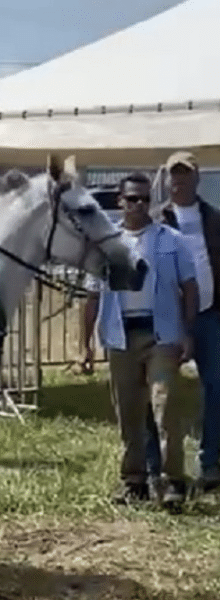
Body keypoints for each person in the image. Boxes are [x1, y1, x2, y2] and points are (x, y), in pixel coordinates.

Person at [84, 172, 198, 507]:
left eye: (145, 199)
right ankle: (133, 481)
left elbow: (189, 287)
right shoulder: (107, 245)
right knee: (128, 412)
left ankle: (172, 481)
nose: (139, 205)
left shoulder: (171, 239)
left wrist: (188, 332)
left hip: (162, 335)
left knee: (165, 409)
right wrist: (84, 345)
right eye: (132, 198)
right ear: (119, 201)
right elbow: (92, 297)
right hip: (120, 337)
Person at [152, 151, 220, 490]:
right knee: (163, 395)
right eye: (172, 175)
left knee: (216, 387)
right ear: (165, 180)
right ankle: (161, 468)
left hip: (209, 316)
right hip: (167, 320)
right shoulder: (156, 221)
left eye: (184, 175)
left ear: (197, 178)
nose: (177, 181)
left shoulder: (214, 219)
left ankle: (210, 462)